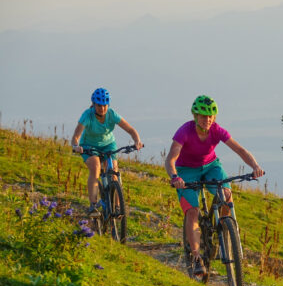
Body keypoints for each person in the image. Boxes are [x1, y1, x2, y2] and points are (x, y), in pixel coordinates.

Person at [165, 95, 265, 276]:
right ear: (195, 116)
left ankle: (225, 232)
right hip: (186, 171)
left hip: (211, 166)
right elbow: (171, 158)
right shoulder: (185, 131)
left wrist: (255, 166)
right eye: (203, 116)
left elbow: (240, 150)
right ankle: (197, 257)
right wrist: (174, 177)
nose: (208, 120)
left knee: (226, 196)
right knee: (193, 211)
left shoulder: (217, 130)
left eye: (211, 116)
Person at [71, 87, 143, 214]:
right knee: (96, 167)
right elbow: (75, 137)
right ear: (94, 104)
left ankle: (118, 208)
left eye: (105, 105)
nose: (102, 108)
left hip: (109, 144)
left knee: (114, 171)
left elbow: (131, 130)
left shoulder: (111, 114)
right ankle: (93, 206)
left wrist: (137, 141)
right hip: (88, 145)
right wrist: (76, 146)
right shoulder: (87, 115)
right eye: (99, 105)